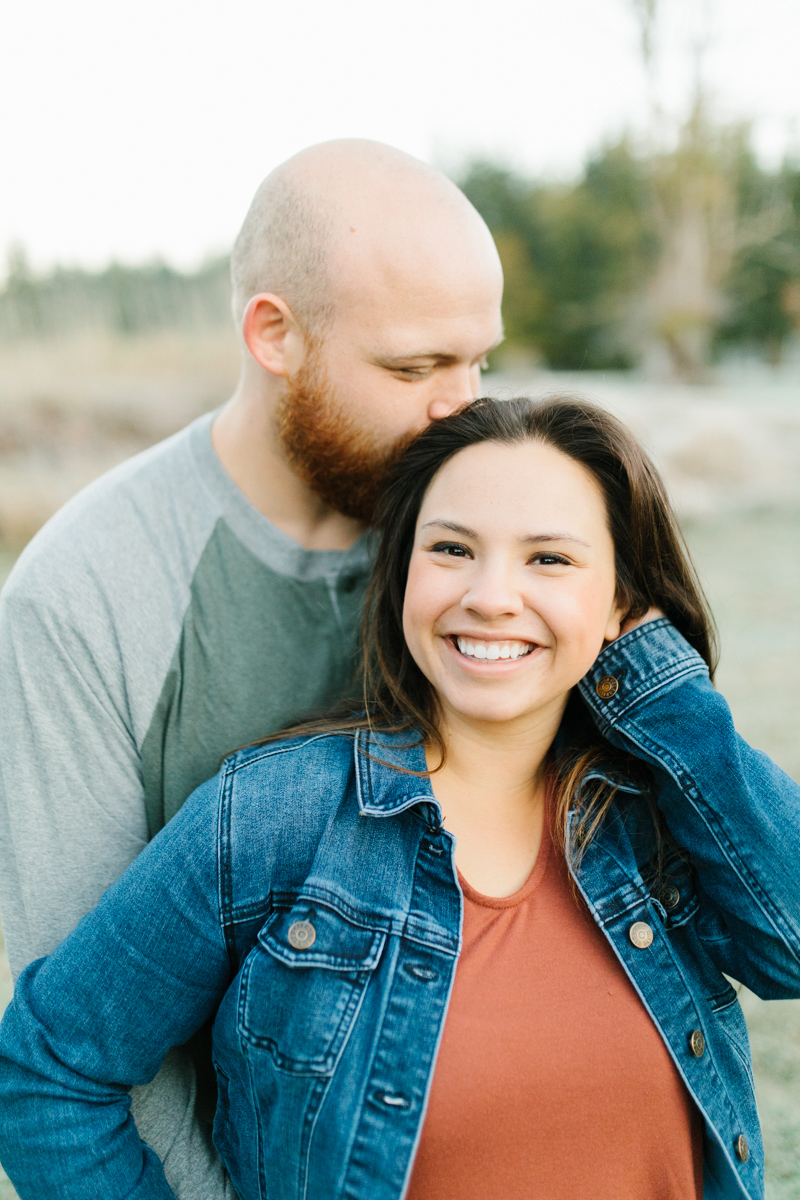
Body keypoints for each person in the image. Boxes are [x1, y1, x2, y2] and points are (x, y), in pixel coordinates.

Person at [1, 396, 797, 1200]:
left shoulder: (659, 817)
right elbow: (50, 1073)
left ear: (623, 599)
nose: (490, 596)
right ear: (404, 572)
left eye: (549, 559)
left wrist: (661, 689)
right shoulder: (277, 816)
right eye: (451, 548)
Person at [0, 141, 503, 1194]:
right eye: (414, 369)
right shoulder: (89, 596)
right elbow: (87, 1053)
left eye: (479, 362)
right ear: (274, 335)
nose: (463, 412)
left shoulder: (492, 538)